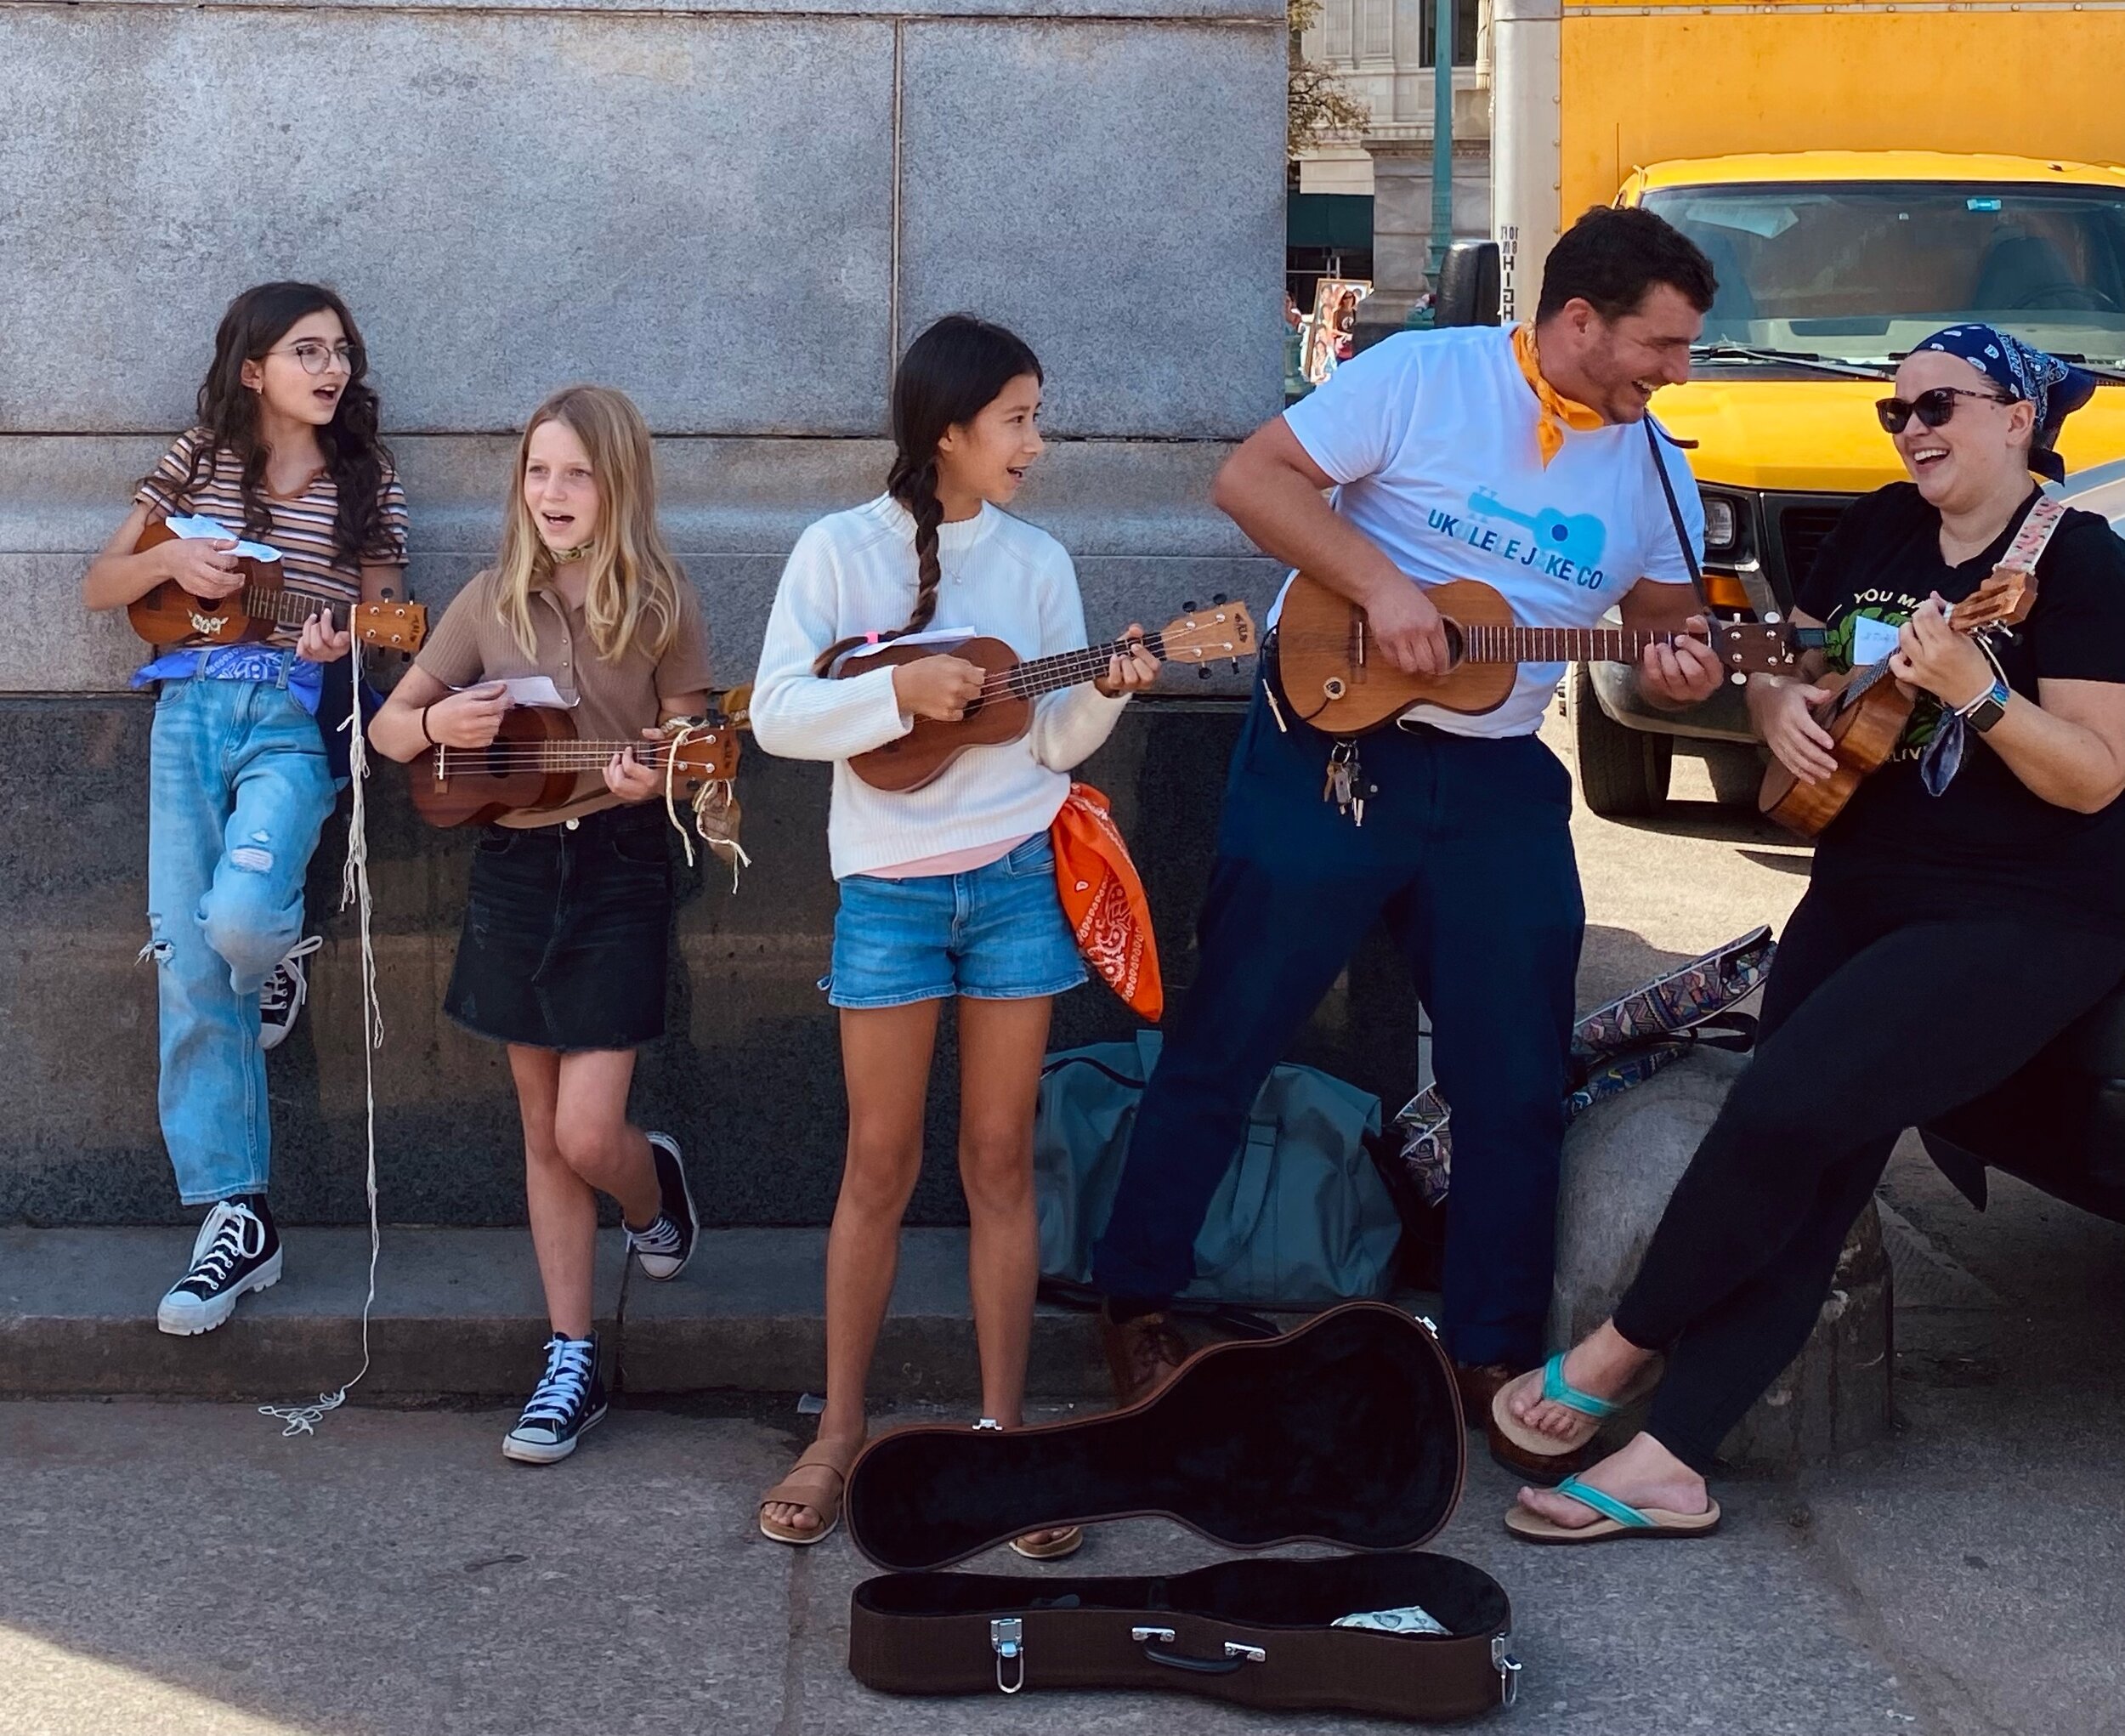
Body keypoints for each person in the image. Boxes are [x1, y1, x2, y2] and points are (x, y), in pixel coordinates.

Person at [1087, 207, 1729, 1439]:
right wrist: (1382, 587)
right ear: (1580, 321)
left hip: (1497, 782)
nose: (1676, 371)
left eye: (1688, 347)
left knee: (1515, 1077)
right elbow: (1251, 478)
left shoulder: (1655, 463)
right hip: (1331, 746)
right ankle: (1136, 1299)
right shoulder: (1430, 374)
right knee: (1232, 1029)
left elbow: (1663, 623)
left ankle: (1489, 1352)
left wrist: (1683, 665)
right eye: (1662, 343)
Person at [1498, 325, 2125, 1541]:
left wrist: (1981, 695)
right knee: (1816, 1163)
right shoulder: (1885, 529)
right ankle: (1672, 1463)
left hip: (2027, 911)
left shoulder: (2083, 563)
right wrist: (1784, 706)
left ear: (2019, 419)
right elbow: (1805, 662)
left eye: (1942, 405)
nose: (1915, 430)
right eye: (1898, 412)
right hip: (1866, 879)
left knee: (1782, 1106)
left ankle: (1621, 1350)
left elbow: (2096, 777)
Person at [749, 314, 1159, 1551]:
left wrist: (1102, 691)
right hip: (888, 894)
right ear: (950, 432)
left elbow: (1040, 743)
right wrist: (893, 692)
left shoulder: (1038, 564)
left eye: (1037, 415)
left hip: (1019, 881)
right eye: (1018, 418)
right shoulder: (836, 551)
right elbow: (774, 711)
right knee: (879, 1160)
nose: (1038, 440)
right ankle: (840, 1432)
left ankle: (1003, 1434)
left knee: (997, 1157)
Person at [368, 386, 712, 1464]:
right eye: (538, 472)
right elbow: (388, 731)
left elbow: (698, 749)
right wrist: (438, 716)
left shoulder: (659, 603)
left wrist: (653, 771)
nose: (554, 493)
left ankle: (652, 1185)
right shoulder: (487, 598)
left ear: (618, 484)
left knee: (584, 1131)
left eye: (577, 473)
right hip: (514, 866)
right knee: (539, 1126)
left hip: (617, 865)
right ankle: (570, 1354)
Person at [82, 281, 409, 1337]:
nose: (331, 369)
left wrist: (344, 640)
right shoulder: (198, 456)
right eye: (307, 351)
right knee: (186, 955)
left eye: (341, 351)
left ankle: (277, 952)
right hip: (186, 713)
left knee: (235, 926)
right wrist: (173, 555)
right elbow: (103, 584)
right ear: (253, 368)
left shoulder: (366, 476)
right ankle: (236, 1213)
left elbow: (395, 625)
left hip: (291, 721)